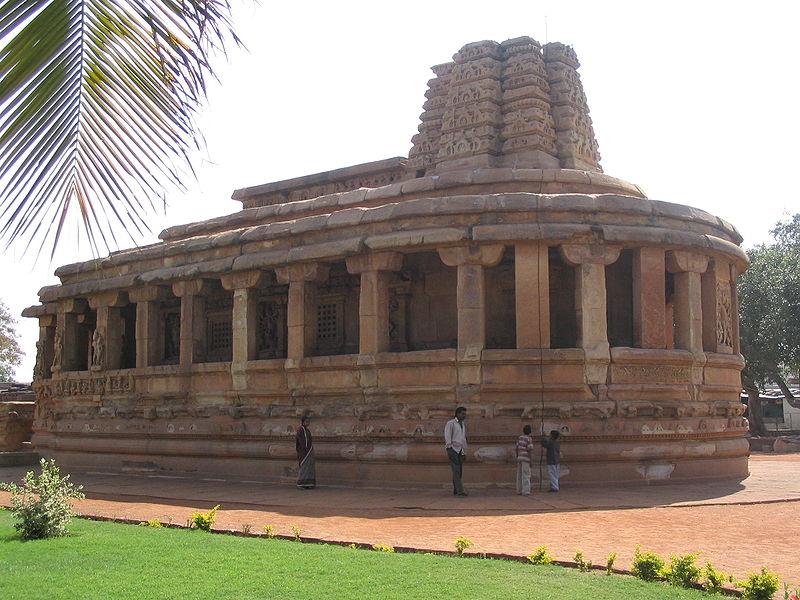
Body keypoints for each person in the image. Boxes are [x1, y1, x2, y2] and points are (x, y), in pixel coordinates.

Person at [444, 406, 468, 496]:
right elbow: (447, 435)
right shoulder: (451, 423)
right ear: (457, 414)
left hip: (460, 450)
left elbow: (463, 439)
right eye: (462, 414)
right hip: (453, 449)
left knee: (459, 471)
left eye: (465, 414)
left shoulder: (463, 425)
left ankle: (456, 489)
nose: (464, 416)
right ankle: (460, 490)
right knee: (456, 470)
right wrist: (449, 447)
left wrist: (464, 451)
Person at [295, 411, 316, 489]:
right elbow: (301, 441)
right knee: (304, 467)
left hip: (308, 452)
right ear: (303, 422)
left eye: (308, 422)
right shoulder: (301, 430)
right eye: (306, 422)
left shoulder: (307, 430)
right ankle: (301, 483)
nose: (308, 423)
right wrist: (305, 449)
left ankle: (308, 483)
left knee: (309, 467)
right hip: (304, 452)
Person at [515, 424, 534, 495]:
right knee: (526, 474)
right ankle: (526, 491)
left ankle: (519, 490)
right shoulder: (529, 439)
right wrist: (531, 460)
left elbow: (516, 448)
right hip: (526, 458)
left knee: (519, 475)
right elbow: (530, 450)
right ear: (530, 432)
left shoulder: (520, 438)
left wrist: (517, 456)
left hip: (519, 457)